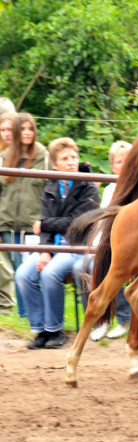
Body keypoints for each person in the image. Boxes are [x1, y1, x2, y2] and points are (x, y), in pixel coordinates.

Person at [15, 137, 100, 349]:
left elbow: (76, 224)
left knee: (49, 273)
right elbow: (45, 224)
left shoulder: (88, 186)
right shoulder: (50, 186)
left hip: (75, 246)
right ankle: (40, 330)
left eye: (74, 157)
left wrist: (44, 225)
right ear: (55, 164)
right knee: (23, 275)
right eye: (65, 159)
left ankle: (55, 330)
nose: (71, 162)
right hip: (51, 246)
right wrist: (44, 250)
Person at [0, 113, 51, 317]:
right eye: (23, 129)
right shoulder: (4, 158)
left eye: (30, 129)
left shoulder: (43, 157)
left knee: (31, 270)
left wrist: (45, 222)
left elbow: (50, 192)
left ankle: (32, 313)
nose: (27, 133)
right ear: (16, 132)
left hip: (34, 224)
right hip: (8, 223)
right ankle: (24, 314)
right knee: (15, 267)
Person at [85, 140, 134, 341]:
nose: (124, 165)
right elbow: (102, 221)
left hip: (133, 242)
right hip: (111, 240)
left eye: (129, 160)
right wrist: (97, 246)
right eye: (120, 161)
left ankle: (124, 320)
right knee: (90, 266)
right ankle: (101, 319)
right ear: (113, 166)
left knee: (118, 266)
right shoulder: (108, 191)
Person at [0, 113, 17, 313]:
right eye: (2, 130)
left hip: (20, 217)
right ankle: (6, 304)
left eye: (9, 130)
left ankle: (12, 306)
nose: (6, 134)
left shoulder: (29, 155)